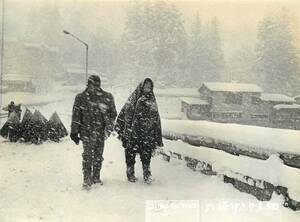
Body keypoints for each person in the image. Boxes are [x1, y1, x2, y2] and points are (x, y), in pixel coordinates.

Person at [70, 75, 117, 190]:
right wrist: (74, 132)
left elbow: (113, 113)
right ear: (88, 84)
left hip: (100, 132)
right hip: (86, 132)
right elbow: (76, 116)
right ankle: (87, 179)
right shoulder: (81, 98)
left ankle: (96, 177)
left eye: (97, 85)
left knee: (98, 156)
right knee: (87, 156)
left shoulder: (107, 97)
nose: (94, 88)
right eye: (92, 85)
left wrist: (108, 125)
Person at [115, 78, 163, 184]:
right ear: (141, 87)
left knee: (146, 155)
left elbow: (156, 119)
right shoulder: (133, 99)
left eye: (149, 87)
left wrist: (158, 138)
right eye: (146, 87)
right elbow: (123, 114)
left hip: (146, 134)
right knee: (130, 155)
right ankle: (130, 174)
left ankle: (147, 175)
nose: (147, 89)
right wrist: (121, 129)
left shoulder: (152, 100)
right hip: (132, 133)